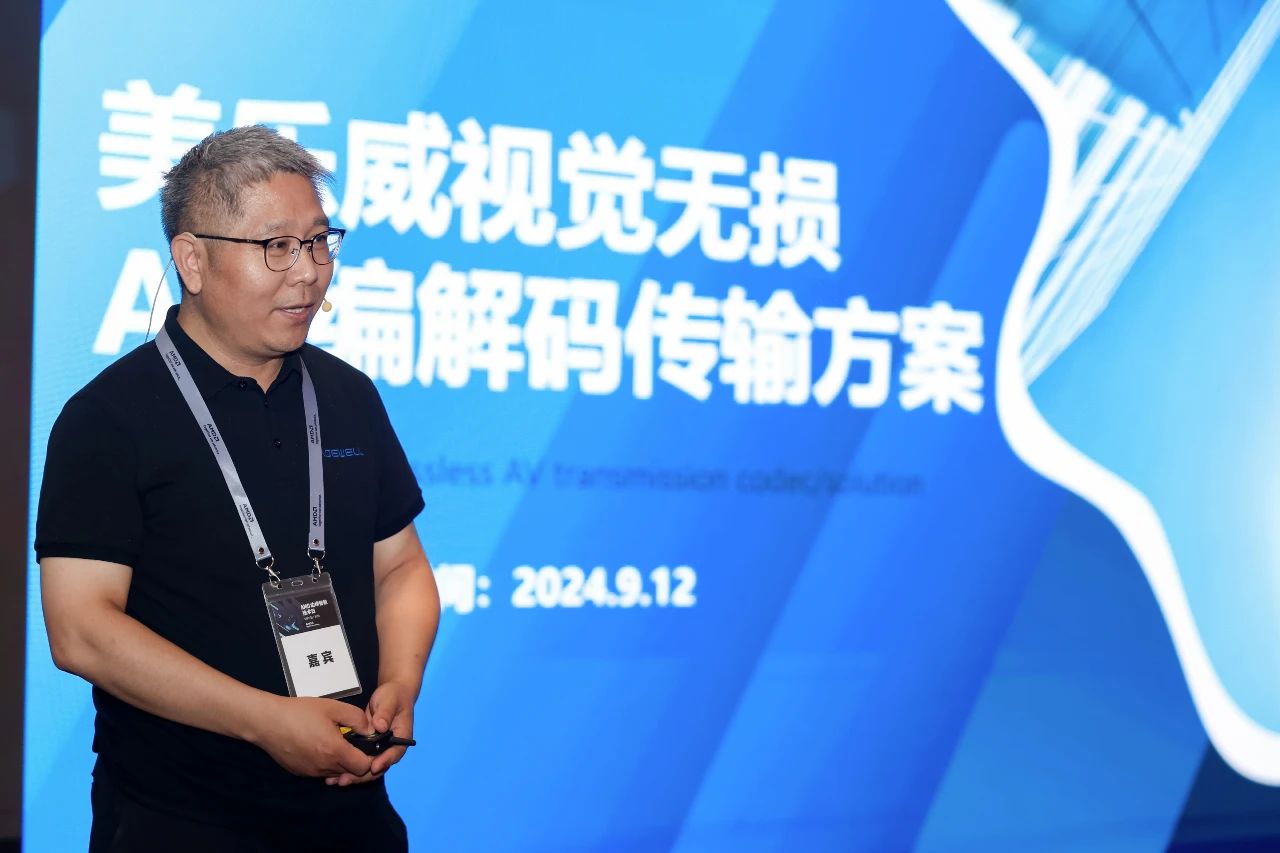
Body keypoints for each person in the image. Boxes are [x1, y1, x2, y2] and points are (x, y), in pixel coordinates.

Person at [36, 125, 439, 852]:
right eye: (276, 246)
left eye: (318, 241)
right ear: (192, 259)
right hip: (181, 816)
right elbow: (81, 629)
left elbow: (402, 567)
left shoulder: (348, 396)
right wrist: (265, 721)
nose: (309, 272)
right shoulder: (109, 416)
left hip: (350, 807)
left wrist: (400, 683)